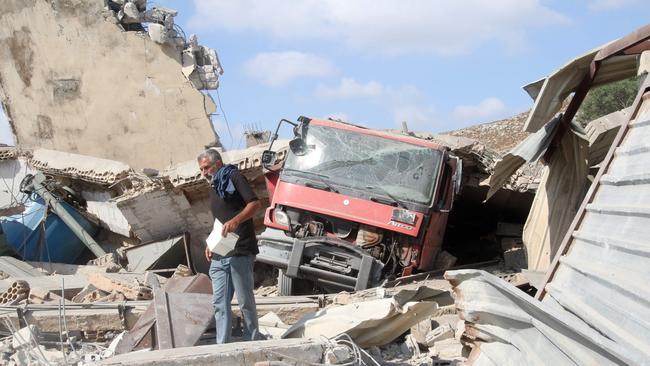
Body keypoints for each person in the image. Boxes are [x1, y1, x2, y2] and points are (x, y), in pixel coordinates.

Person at [197, 148, 261, 343]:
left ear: (217, 164)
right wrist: (211, 243)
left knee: (245, 301)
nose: (204, 173)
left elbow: (255, 203)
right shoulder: (215, 186)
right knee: (219, 302)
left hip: (240, 249)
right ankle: (222, 345)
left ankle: (251, 340)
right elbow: (220, 220)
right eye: (201, 169)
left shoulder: (233, 177)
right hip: (221, 250)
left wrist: (237, 220)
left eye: (206, 168)